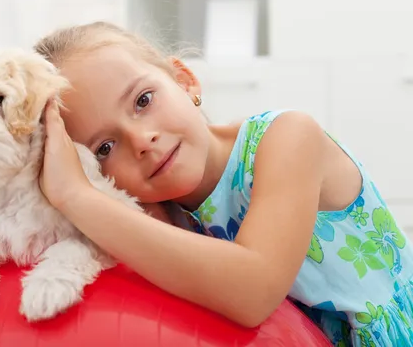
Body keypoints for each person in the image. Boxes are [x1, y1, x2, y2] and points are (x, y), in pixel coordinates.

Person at [33, 21, 413, 346]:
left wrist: (75, 196)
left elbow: (254, 291)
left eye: (143, 100)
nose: (141, 140)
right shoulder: (154, 212)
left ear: (185, 81)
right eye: (104, 148)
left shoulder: (288, 138)